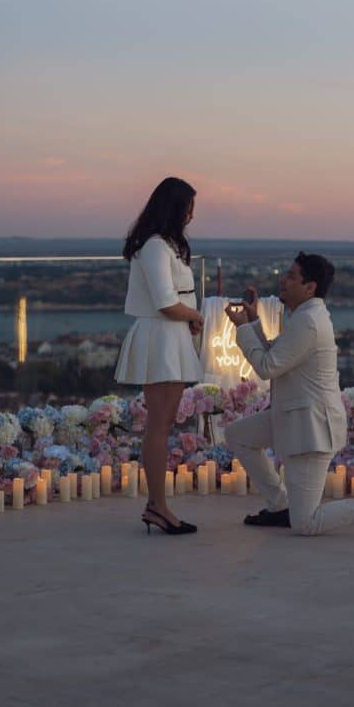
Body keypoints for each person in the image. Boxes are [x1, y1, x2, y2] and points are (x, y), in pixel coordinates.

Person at [224, 252, 354, 536]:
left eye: (292, 276)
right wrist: (254, 321)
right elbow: (277, 354)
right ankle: (280, 505)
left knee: (306, 523)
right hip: (293, 415)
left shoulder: (308, 322)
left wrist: (243, 328)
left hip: (310, 428)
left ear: (310, 287)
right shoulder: (304, 316)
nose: (283, 280)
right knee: (238, 435)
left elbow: (267, 366)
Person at [115, 177, 204, 535]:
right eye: (188, 206)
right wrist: (195, 316)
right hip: (162, 338)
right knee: (159, 425)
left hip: (172, 337)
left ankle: (158, 504)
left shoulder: (164, 245)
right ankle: (157, 506)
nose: (191, 214)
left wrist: (190, 319)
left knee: (163, 424)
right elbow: (166, 302)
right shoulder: (154, 246)